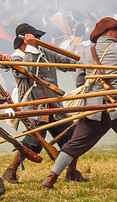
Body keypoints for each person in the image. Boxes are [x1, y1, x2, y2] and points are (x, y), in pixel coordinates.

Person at [40, 17, 117, 189]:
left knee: (74, 145)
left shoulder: (87, 54)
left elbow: (81, 81)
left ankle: (50, 179)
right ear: (110, 32)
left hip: (94, 108)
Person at [1, 23, 87, 184]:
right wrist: (32, 48)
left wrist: (86, 64)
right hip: (35, 109)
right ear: (26, 39)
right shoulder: (16, 59)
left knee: (73, 139)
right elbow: (31, 68)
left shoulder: (43, 52)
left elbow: (68, 62)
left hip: (54, 106)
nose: (39, 40)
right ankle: (10, 171)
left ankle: (71, 172)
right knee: (32, 144)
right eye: (35, 38)